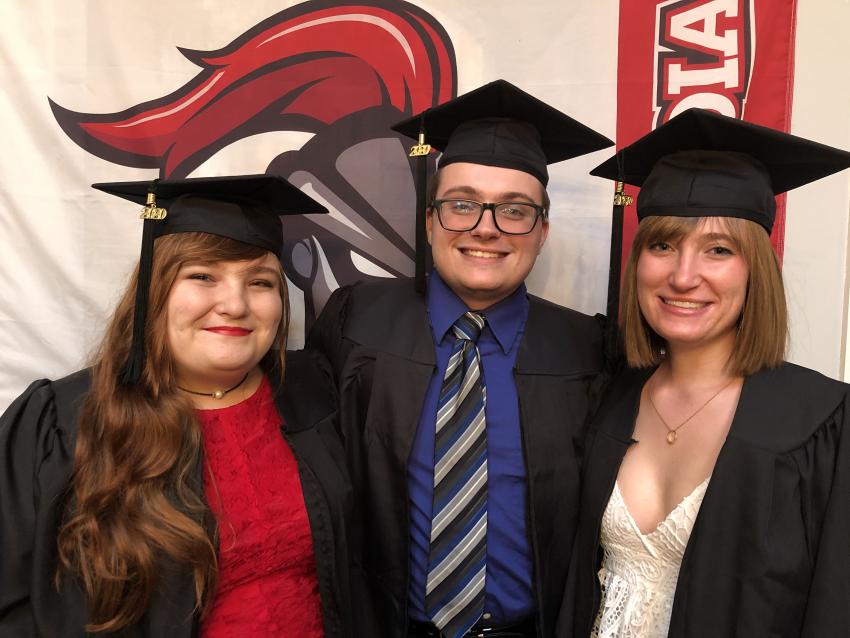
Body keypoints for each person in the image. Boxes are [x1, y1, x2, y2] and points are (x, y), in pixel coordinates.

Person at [307, 80, 613, 638]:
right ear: (429, 220)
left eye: (515, 211)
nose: (486, 227)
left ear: (542, 232)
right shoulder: (357, 323)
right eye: (463, 204)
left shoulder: (587, 351)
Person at [0, 175, 354, 637]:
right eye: (203, 276)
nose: (235, 303)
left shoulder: (315, 393)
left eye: (260, 281)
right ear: (155, 290)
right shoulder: (62, 423)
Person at [561, 109, 850, 637]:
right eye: (662, 245)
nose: (683, 275)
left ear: (755, 270)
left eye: (718, 250)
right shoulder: (608, 395)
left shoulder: (822, 422)